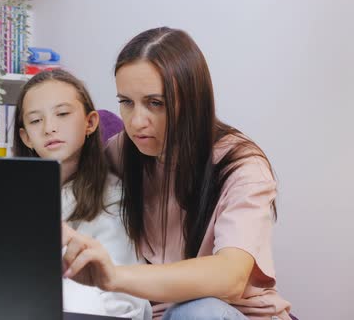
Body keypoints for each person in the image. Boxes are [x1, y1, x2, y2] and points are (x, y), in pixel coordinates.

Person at [61, 27, 292, 320]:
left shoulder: (242, 165)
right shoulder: (123, 150)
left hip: (222, 312)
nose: (136, 122)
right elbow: (76, 184)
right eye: (126, 102)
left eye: (155, 103)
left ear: (193, 101)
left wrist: (113, 277)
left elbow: (230, 277)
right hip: (154, 313)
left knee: (196, 311)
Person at [13, 69, 150, 320]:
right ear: (26, 137)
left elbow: (122, 302)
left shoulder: (113, 199)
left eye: (62, 114)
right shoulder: (13, 199)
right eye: (35, 121)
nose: (49, 128)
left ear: (90, 123)